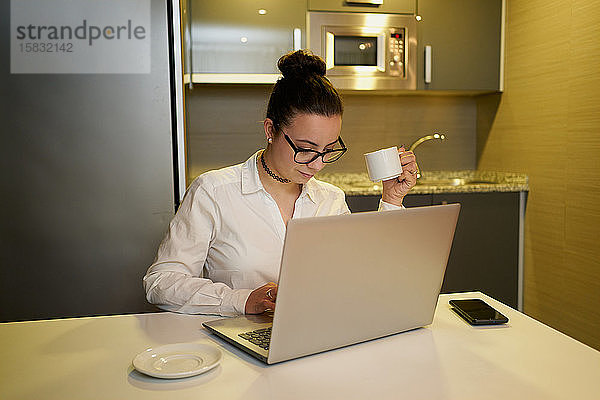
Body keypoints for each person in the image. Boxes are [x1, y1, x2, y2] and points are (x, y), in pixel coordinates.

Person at [143, 50, 418, 316]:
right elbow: (161, 282)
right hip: (234, 342)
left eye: (329, 149)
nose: (318, 163)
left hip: (312, 338)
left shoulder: (330, 199)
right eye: (305, 148)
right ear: (271, 130)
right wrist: (242, 300)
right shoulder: (213, 192)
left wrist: (391, 201)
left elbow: (363, 279)